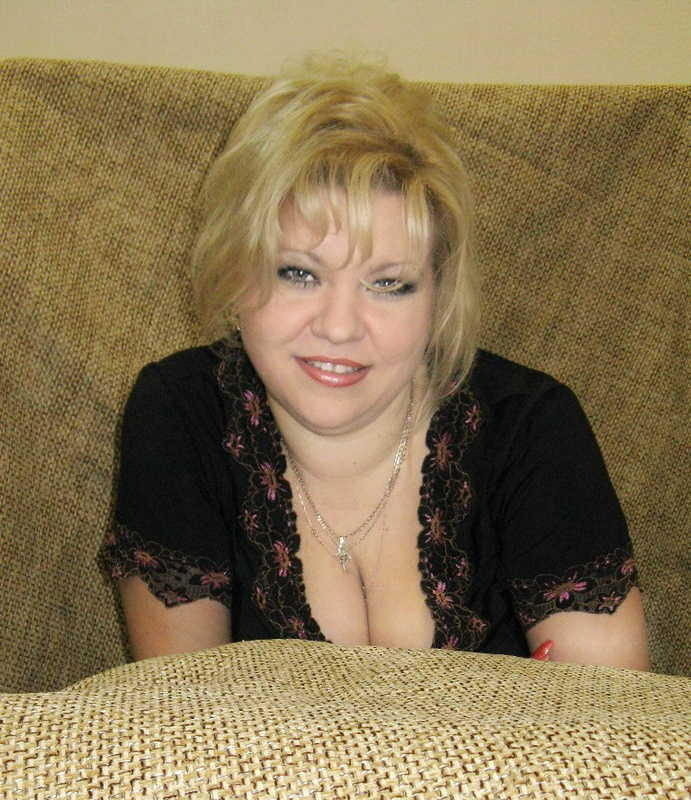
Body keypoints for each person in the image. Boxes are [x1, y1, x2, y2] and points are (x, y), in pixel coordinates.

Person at [100, 55, 649, 670]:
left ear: (438, 297)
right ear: (236, 274)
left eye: (389, 284)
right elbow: (179, 704)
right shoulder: (180, 412)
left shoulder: (530, 426)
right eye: (299, 273)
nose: (339, 327)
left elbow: (608, 711)